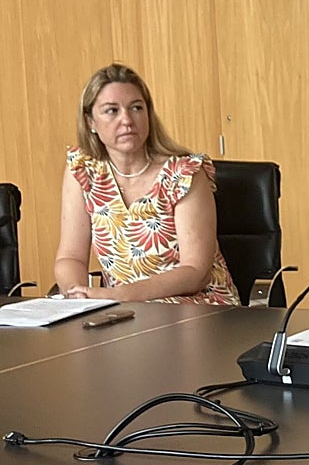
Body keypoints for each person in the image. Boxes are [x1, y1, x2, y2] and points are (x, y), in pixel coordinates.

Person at [53, 63, 239, 305]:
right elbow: (70, 257)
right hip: (123, 313)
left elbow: (195, 272)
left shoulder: (184, 174)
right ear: (90, 122)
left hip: (196, 308)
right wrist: (77, 295)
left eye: (136, 108)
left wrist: (114, 296)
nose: (127, 120)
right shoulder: (83, 171)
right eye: (112, 111)